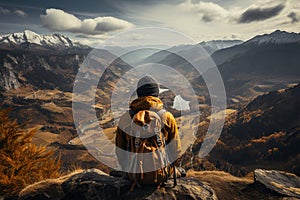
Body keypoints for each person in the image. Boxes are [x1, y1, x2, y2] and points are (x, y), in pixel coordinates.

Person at [115, 76, 182, 185]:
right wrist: (170, 168)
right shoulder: (167, 117)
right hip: (162, 174)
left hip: (133, 175)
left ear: (139, 93)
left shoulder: (125, 118)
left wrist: (127, 169)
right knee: (179, 171)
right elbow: (176, 151)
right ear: (156, 94)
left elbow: (120, 151)